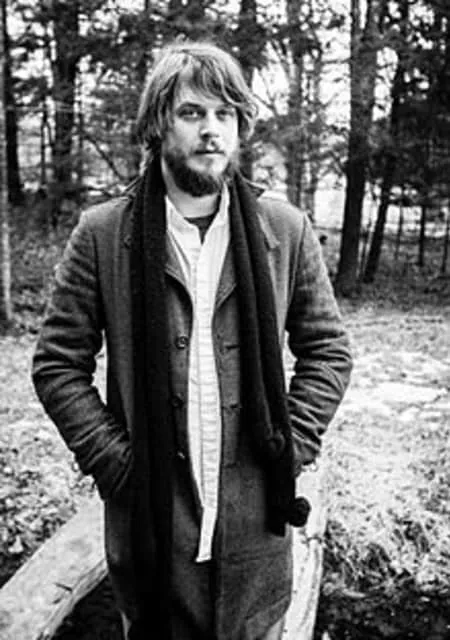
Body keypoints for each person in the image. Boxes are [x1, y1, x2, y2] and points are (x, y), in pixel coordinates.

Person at [32, 40, 352, 640]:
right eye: (192, 112)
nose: (211, 130)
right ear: (159, 123)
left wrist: (291, 445)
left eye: (225, 114)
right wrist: (116, 464)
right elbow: (56, 364)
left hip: (257, 545)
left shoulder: (284, 230)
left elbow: (329, 350)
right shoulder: (104, 234)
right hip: (151, 543)